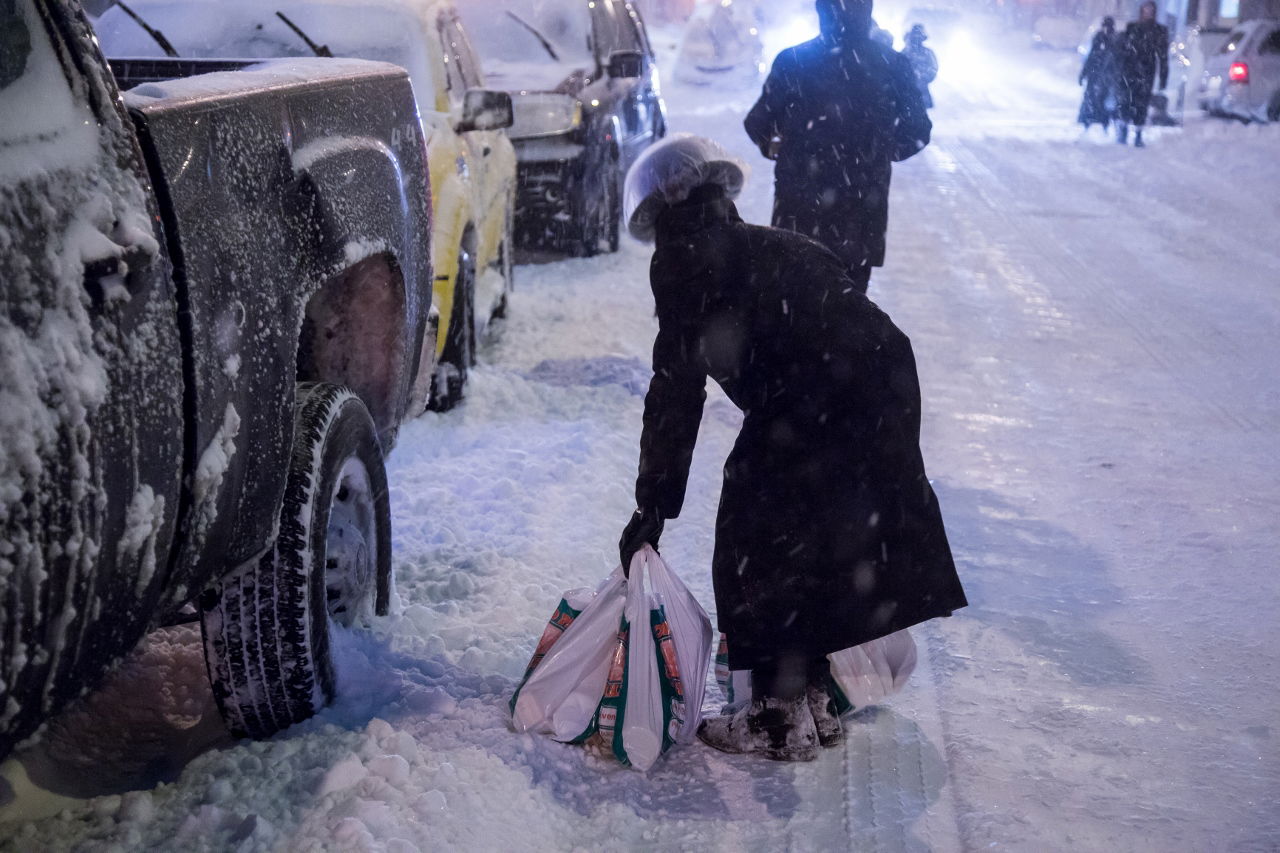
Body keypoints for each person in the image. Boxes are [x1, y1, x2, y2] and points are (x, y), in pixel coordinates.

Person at [617, 134, 968, 762]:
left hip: (818, 392)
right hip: (881, 381)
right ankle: (809, 701)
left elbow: (676, 389)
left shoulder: (683, 260)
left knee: (755, 541)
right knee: (820, 539)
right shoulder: (767, 243)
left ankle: (776, 717)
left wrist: (654, 503)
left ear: (659, 213)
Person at [744, 0, 931, 293]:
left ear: (821, 11)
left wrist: (777, 146)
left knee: (793, 300)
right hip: (860, 215)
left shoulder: (794, 60)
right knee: (848, 307)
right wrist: (879, 153)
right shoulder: (893, 65)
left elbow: (757, 122)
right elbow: (918, 130)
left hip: (798, 210)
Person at [1115, 1, 1169, 147]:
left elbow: (1163, 55)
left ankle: (1138, 134)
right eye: (1146, 9)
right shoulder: (1132, 27)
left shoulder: (1159, 31)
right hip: (1129, 70)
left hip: (1147, 71)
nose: (1148, 12)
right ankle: (1123, 130)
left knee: (1142, 103)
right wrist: (1120, 69)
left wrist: (1163, 76)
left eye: (1150, 10)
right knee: (1126, 100)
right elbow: (1123, 50)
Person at [1077, 17, 1120, 131]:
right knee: (1094, 100)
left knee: (1100, 101)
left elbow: (1094, 55)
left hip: (1104, 75)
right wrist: (1084, 73)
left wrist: (1084, 73)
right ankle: (1091, 123)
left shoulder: (1113, 38)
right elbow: (1092, 55)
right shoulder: (1100, 37)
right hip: (1097, 74)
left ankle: (1099, 123)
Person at [901, 24, 939, 109]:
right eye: (915, 36)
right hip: (906, 90)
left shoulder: (927, 52)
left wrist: (923, 77)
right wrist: (907, 77)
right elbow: (899, 68)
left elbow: (933, 68)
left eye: (919, 36)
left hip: (922, 91)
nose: (917, 38)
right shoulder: (905, 52)